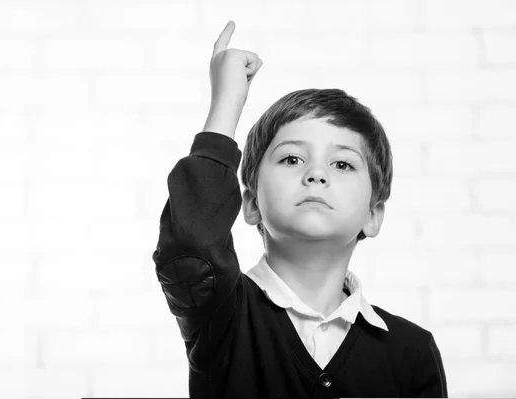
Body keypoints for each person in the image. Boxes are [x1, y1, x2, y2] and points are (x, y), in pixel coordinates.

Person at [152, 20, 447, 398]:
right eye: (292, 159)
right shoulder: (221, 313)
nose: (316, 174)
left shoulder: (411, 351)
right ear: (252, 204)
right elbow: (192, 243)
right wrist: (227, 103)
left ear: (373, 216)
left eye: (342, 164)